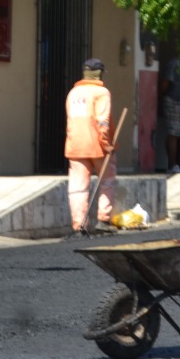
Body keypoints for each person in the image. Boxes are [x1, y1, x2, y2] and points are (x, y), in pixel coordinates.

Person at [65, 58, 116, 231]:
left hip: (75, 145)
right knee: (107, 180)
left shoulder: (73, 93)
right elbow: (103, 122)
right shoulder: (102, 93)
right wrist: (106, 144)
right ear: (100, 74)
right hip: (97, 147)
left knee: (78, 188)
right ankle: (103, 220)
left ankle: (79, 225)